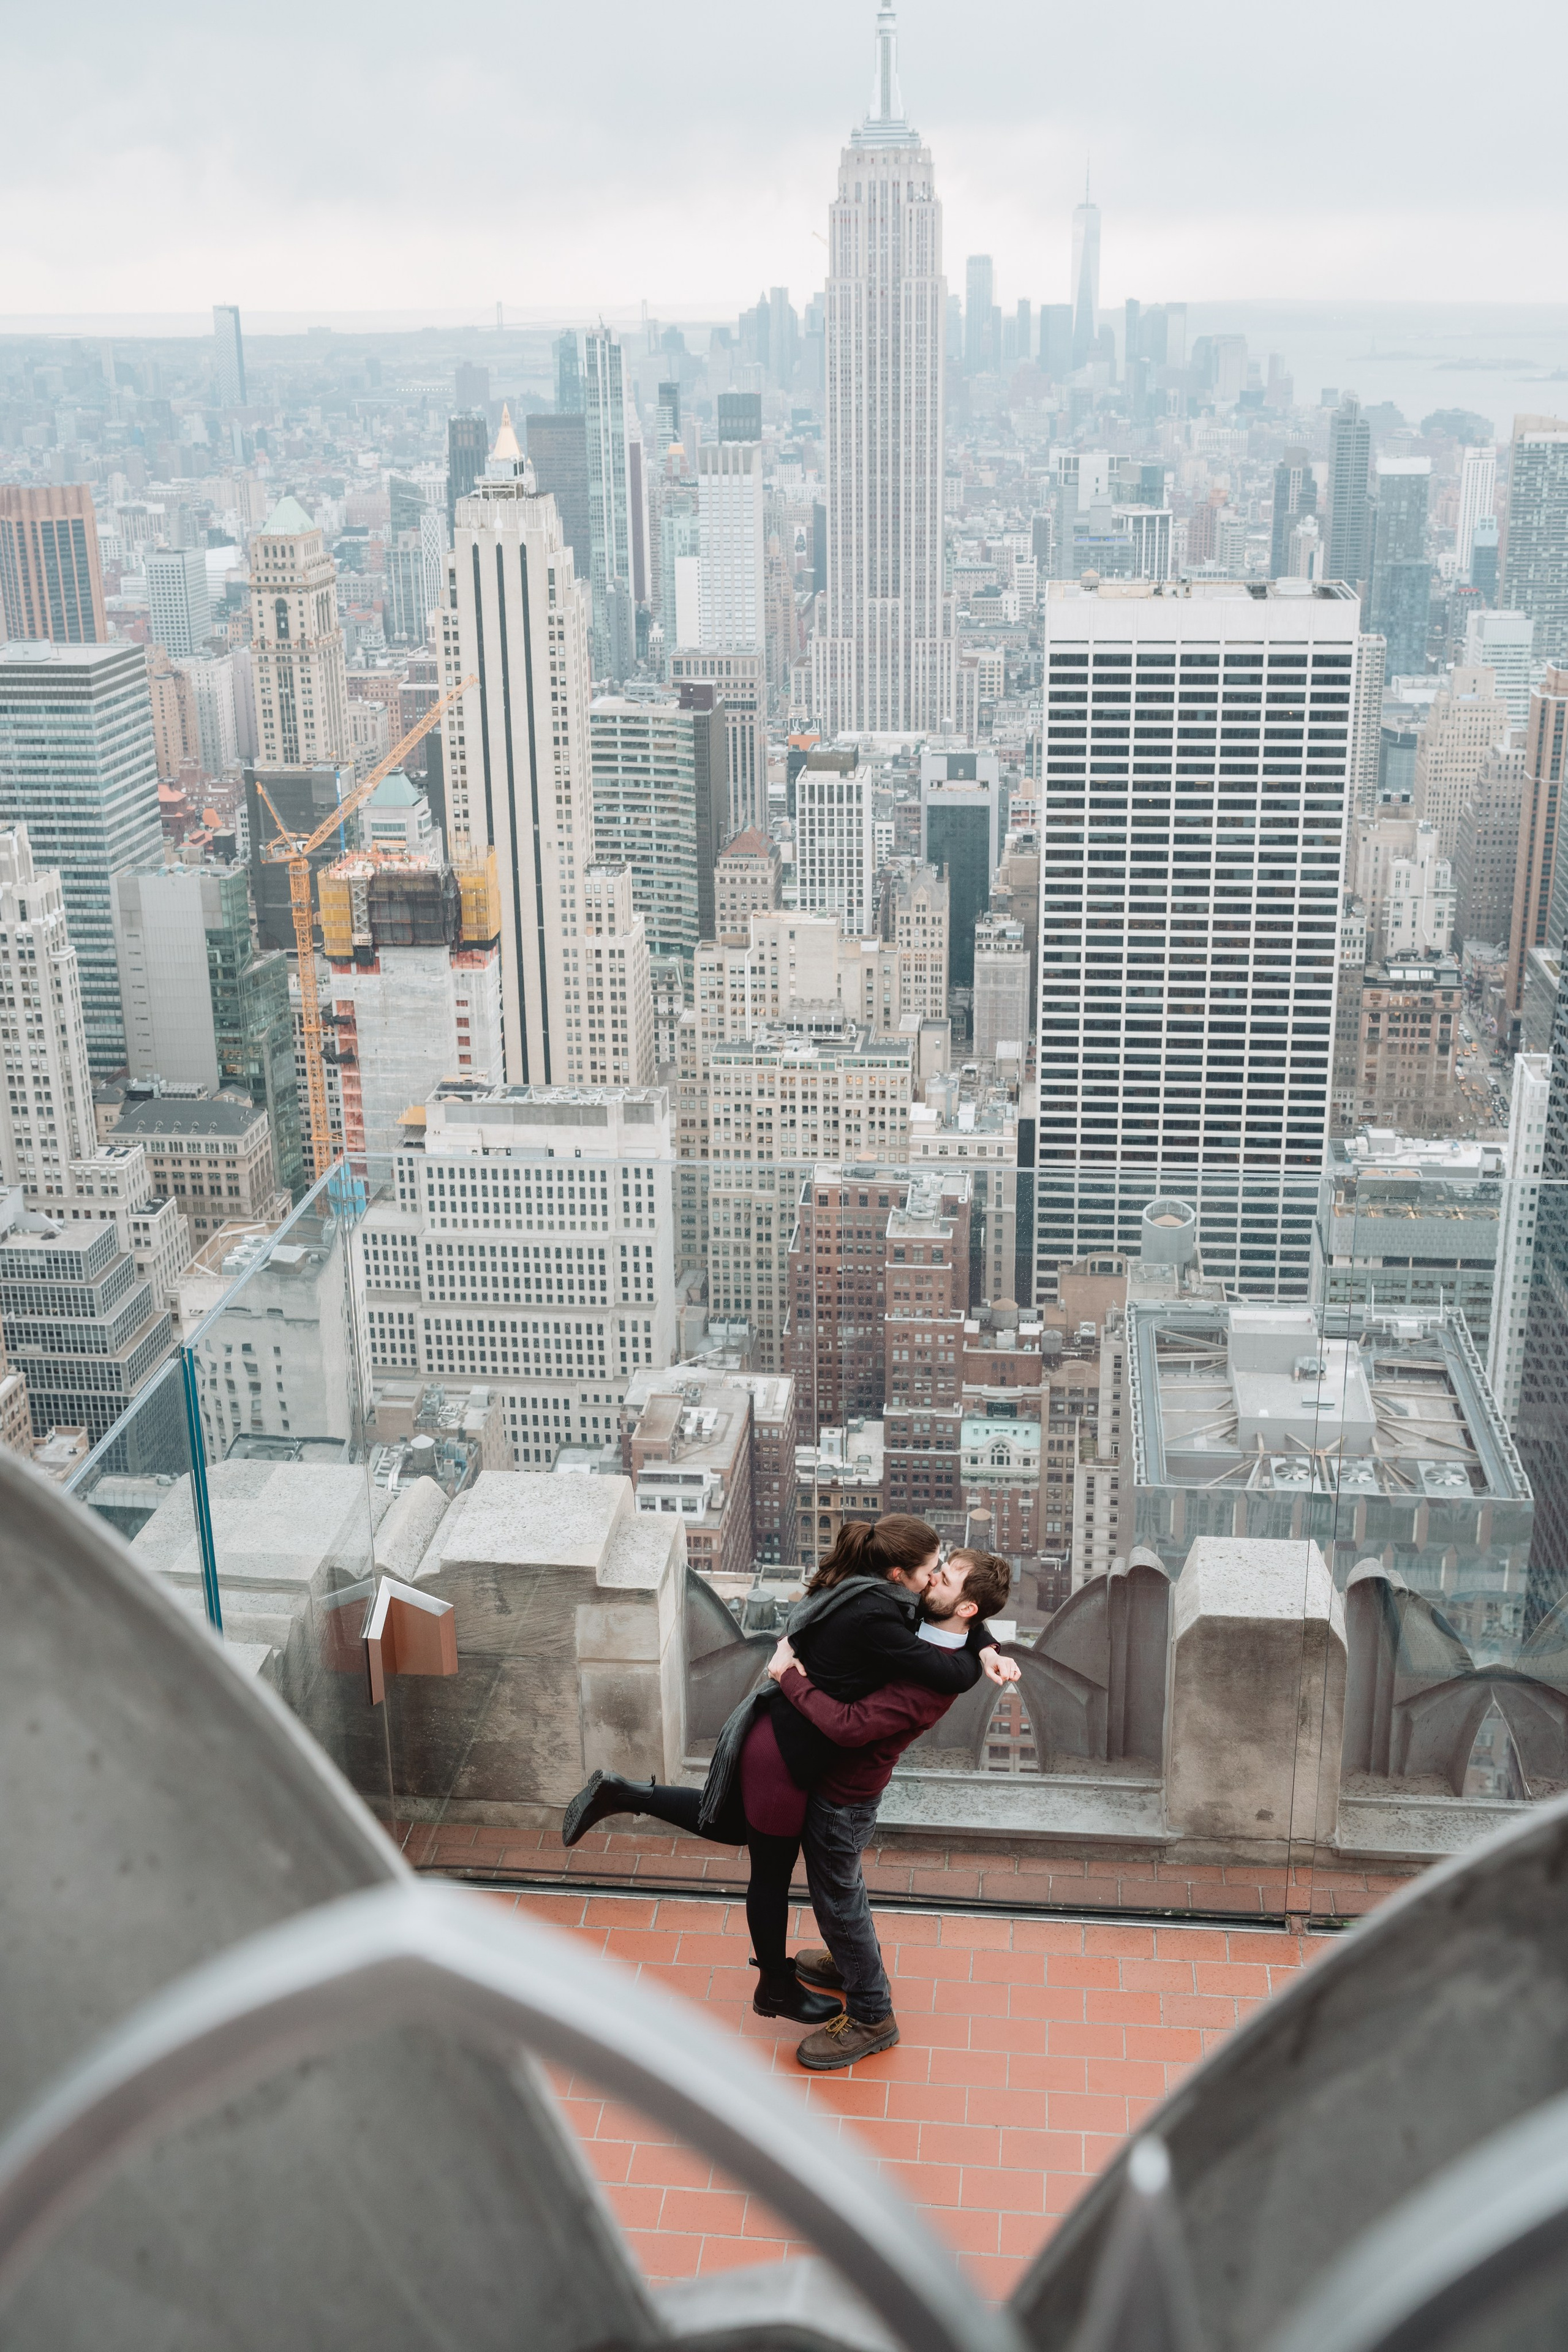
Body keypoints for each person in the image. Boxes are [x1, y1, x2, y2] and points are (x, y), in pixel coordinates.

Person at [558, 1516, 1015, 2025]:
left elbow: (956, 1618)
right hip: (781, 1753)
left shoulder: (876, 1592)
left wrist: (985, 1644)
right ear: (898, 1575)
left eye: (942, 1573)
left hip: (776, 1734)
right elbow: (942, 1667)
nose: (935, 1578)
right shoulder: (882, 1618)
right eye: (933, 1570)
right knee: (769, 1876)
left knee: (730, 1826)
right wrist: (973, 1661)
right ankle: (774, 1987)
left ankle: (623, 1794)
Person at [774, 1547, 1014, 2073]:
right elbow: (966, 1626)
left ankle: (872, 2015)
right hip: (848, 1786)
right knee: (842, 1895)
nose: (931, 1580)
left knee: (838, 1900)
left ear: (967, 1606)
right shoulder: (943, 1626)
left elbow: (849, 1725)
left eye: (944, 1578)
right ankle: (851, 1963)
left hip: (845, 1795)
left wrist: (788, 1676)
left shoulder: (932, 1679)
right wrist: (990, 1645)